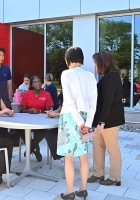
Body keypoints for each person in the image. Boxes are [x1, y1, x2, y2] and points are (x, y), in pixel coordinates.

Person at [57, 47, 97, 200]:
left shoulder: (66, 73)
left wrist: (79, 122)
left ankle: (69, 191)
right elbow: (94, 102)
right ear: (81, 59)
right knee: (83, 156)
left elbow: (69, 101)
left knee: (69, 156)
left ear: (68, 60)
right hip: (87, 117)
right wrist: (87, 122)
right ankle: (83, 189)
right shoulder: (90, 76)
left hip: (69, 117)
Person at [88, 52, 125, 187]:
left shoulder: (111, 78)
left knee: (112, 148)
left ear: (103, 62)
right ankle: (98, 173)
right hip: (103, 118)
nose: (94, 65)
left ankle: (115, 177)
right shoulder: (107, 77)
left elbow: (108, 101)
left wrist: (102, 121)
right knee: (97, 145)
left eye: (96, 62)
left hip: (110, 119)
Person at [20, 75, 54, 162]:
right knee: (19, 130)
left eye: (39, 81)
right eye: (34, 82)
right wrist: (29, 111)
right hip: (27, 120)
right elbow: (23, 110)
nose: (37, 83)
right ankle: (35, 148)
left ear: (42, 83)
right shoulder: (27, 94)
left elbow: (48, 111)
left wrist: (38, 111)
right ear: (31, 84)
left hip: (41, 121)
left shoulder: (47, 94)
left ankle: (30, 149)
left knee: (42, 132)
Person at [45, 91, 64, 162]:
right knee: (48, 134)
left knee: (55, 135)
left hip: (70, 124)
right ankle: (60, 156)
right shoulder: (64, 93)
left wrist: (55, 115)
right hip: (62, 123)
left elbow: (70, 112)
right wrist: (53, 112)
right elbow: (61, 107)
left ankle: (63, 156)